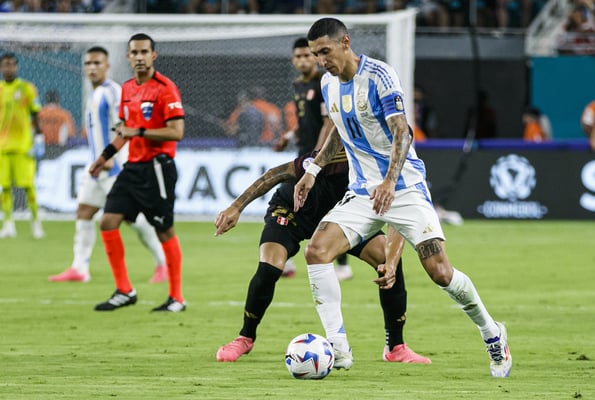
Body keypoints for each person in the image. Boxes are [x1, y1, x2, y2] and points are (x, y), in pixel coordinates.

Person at [293, 18, 511, 377]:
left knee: (440, 273)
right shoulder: (329, 84)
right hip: (363, 192)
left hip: (404, 188)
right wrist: (313, 170)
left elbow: (402, 133)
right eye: (316, 54)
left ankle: (491, 332)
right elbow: (338, 131)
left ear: (345, 42)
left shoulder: (380, 77)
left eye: (325, 52)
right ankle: (339, 349)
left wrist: (390, 182)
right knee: (316, 251)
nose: (320, 61)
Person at [214, 150, 430, 365]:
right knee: (270, 266)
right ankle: (245, 337)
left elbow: (398, 217)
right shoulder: (335, 157)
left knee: (387, 260)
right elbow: (274, 174)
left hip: (342, 220)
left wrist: (391, 262)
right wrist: (236, 207)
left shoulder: (384, 171)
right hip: (294, 211)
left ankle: (396, 347)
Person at [48, 46, 167, 284]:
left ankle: (162, 263)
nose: (92, 68)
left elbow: (126, 125)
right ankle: (80, 268)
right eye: (88, 64)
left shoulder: (113, 92)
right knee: (84, 211)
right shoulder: (95, 94)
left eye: (97, 63)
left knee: (132, 218)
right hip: (98, 167)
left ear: (107, 66)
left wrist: (111, 156)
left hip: (114, 168)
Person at [89, 33, 186, 312]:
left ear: (153, 55)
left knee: (164, 229)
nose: (140, 57)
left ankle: (177, 297)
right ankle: (124, 290)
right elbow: (123, 130)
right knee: (107, 221)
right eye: (135, 52)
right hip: (132, 167)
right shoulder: (128, 88)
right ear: (128, 56)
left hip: (158, 168)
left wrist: (139, 131)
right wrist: (103, 157)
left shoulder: (165, 88)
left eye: (145, 52)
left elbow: (177, 131)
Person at [273, 37, 352, 281]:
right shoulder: (298, 85)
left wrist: (317, 159)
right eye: (298, 56)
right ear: (293, 60)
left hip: (321, 158)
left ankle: (342, 264)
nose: (303, 60)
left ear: (315, 58)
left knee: (327, 204)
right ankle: (286, 257)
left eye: (307, 55)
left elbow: (329, 122)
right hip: (305, 153)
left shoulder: (324, 83)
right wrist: (287, 135)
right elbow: (304, 119)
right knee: (296, 202)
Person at [0, 52, 45, 239]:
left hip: (23, 146)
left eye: (11, 65)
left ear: (16, 67)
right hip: (2, 147)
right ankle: (8, 223)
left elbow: (35, 113)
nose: (8, 68)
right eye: (5, 65)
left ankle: (36, 223)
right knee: (4, 187)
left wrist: (39, 137)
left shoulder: (27, 88)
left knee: (28, 186)